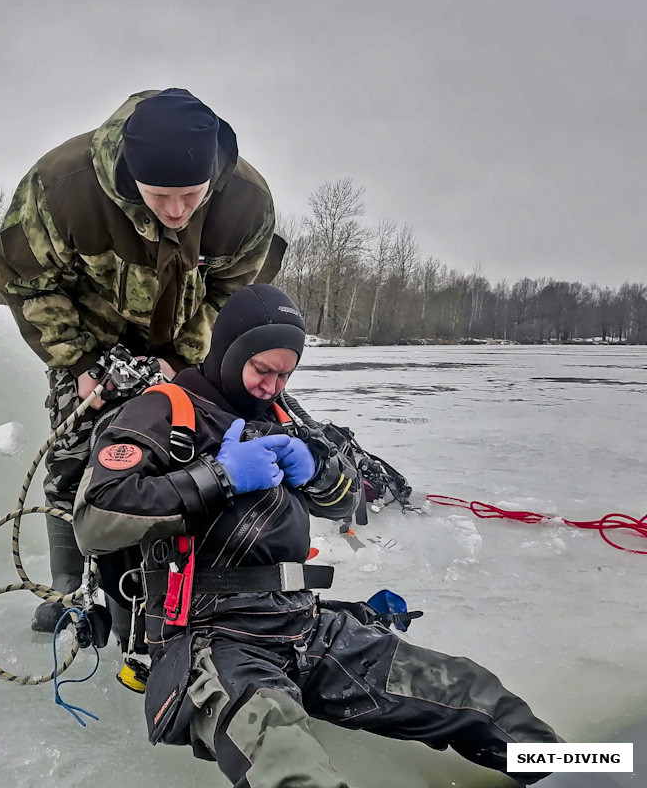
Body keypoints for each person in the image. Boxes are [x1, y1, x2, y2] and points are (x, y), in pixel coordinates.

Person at [72, 283, 560, 787]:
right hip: (211, 639)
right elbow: (93, 521)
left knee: (472, 694)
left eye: (285, 374)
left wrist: (318, 471)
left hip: (304, 625)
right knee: (289, 764)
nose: (272, 386)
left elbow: (351, 506)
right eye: (262, 370)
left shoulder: (284, 417)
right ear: (229, 351)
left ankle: (588, 774)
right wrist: (216, 478)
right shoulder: (166, 410)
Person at [0, 88, 285, 631]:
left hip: (186, 341)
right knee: (71, 460)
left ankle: (188, 585)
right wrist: (78, 365)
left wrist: (180, 359)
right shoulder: (61, 188)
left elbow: (232, 293)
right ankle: (69, 593)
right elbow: (25, 280)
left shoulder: (246, 202)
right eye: (159, 196)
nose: (176, 213)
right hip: (88, 341)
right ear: (130, 173)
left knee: (193, 446)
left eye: (192, 196)